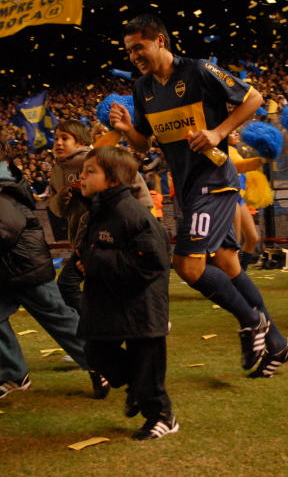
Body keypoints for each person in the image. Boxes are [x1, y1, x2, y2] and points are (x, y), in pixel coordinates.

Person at [109, 13, 288, 378]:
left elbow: (254, 98)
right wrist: (129, 130)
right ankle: (278, 344)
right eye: (129, 51)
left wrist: (217, 131)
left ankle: (252, 323)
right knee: (227, 263)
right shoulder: (142, 89)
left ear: (160, 40)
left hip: (216, 179)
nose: (134, 56)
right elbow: (145, 144)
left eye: (139, 47)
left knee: (189, 266)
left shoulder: (199, 70)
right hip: (187, 188)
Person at [0, 133, 106, 400]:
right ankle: (15, 375)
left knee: (61, 322)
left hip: (26, 270)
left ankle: (99, 366)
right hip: (4, 274)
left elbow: (3, 232)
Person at [75, 146, 176, 440]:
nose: (82, 176)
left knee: (147, 364)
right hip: (110, 303)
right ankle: (138, 387)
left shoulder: (132, 213)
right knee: (96, 352)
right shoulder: (98, 210)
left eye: (90, 171)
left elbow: (152, 262)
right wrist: (82, 265)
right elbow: (91, 250)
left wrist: (94, 261)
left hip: (141, 307)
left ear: (114, 179)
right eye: (83, 170)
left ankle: (162, 416)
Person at [50, 119, 153, 312]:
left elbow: (135, 182)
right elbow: (57, 210)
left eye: (65, 138)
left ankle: (109, 321)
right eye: (56, 138)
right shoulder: (56, 171)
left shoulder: (100, 159)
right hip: (82, 240)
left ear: (80, 141)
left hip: (109, 237)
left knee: (68, 284)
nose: (58, 143)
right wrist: (64, 194)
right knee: (99, 287)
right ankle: (133, 317)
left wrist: (143, 217)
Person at [227, 130, 261, 269]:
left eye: (237, 132)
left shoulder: (236, 152)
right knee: (236, 241)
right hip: (231, 198)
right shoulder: (227, 151)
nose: (236, 134)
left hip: (240, 199)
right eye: (231, 132)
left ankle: (242, 271)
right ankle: (234, 274)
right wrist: (261, 159)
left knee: (253, 238)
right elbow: (239, 166)